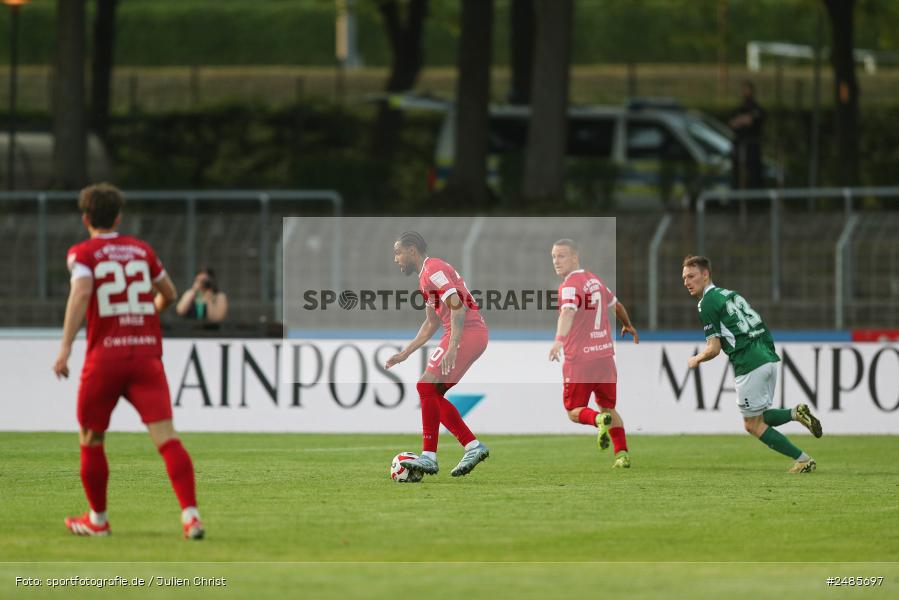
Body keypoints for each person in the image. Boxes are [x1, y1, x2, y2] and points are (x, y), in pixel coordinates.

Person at [52, 183, 204, 538]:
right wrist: (148, 312)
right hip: (146, 354)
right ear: (119, 216)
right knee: (167, 437)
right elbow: (169, 293)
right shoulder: (141, 251)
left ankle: (98, 521)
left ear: (86, 218)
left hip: (105, 357)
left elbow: (82, 292)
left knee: (91, 438)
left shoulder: (84, 253)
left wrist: (65, 346)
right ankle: (191, 516)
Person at [682, 255, 823, 473]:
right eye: (684, 278)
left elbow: (714, 348)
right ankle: (795, 413)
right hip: (766, 357)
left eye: (691, 276)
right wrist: (768, 353)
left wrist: (696, 359)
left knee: (751, 425)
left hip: (748, 362)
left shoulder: (706, 303)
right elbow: (760, 323)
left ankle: (803, 460)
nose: (687, 282)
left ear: (706, 274)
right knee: (760, 417)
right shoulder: (729, 294)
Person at [384, 231, 490, 478]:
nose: (396, 259)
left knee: (425, 387)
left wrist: (453, 346)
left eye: (398, 252)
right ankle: (472, 447)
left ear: (412, 250)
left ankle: (430, 457)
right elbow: (431, 323)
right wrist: (406, 353)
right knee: (431, 392)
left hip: (467, 333)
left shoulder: (434, 269)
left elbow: (458, 306)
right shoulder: (425, 277)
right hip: (465, 334)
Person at [548, 239, 638, 468]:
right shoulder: (596, 281)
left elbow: (567, 312)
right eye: (553, 257)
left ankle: (598, 421)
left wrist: (559, 340)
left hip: (580, 359)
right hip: (605, 357)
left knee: (573, 411)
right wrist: (628, 325)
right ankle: (622, 454)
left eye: (562, 256)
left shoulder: (569, 285)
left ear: (575, 257)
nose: (556, 261)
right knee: (608, 406)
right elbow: (616, 305)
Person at [728, 80, 766, 189]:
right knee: (737, 175)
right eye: (743, 91)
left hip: (752, 146)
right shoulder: (738, 109)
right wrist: (743, 120)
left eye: (747, 91)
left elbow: (751, 120)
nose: (745, 93)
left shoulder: (757, 109)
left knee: (753, 174)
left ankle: (754, 201)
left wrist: (741, 120)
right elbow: (732, 123)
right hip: (739, 146)